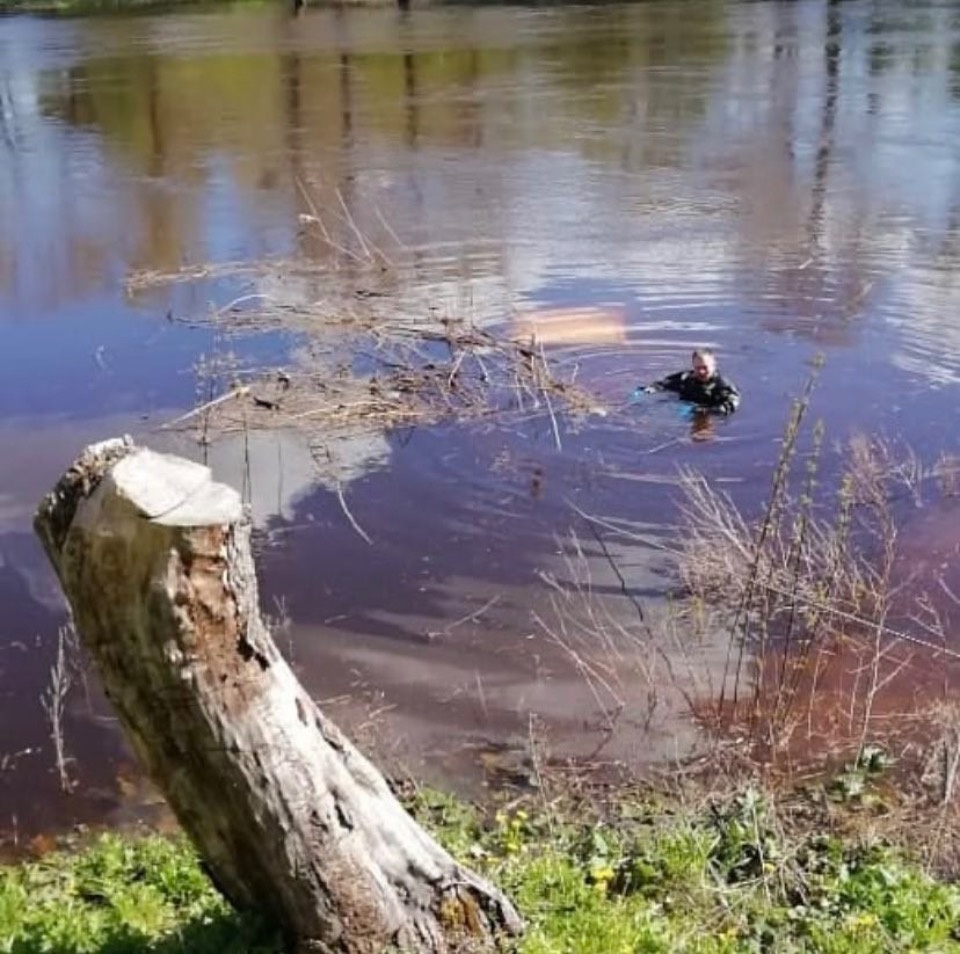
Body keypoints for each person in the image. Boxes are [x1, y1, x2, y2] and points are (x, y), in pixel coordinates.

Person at [642, 348, 740, 415]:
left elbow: (730, 406)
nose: (701, 372)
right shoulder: (686, 378)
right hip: (682, 408)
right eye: (698, 368)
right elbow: (664, 384)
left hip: (705, 415)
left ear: (714, 365)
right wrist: (649, 389)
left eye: (705, 368)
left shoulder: (723, 385)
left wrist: (703, 411)